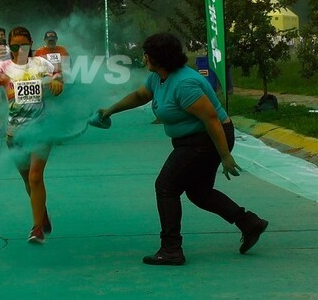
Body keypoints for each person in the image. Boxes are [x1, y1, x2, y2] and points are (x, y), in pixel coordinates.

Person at [96, 32, 268, 266]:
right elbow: (140, 96)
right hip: (192, 140)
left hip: (205, 139)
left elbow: (211, 120)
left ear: (158, 58)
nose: (143, 58)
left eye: (146, 54)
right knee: (199, 193)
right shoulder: (158, 78)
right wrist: (110, 110)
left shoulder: (185, 84)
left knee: (166, 187)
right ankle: (249, 223)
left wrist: (225, 155)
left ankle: (171, 250)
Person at [0, 26, 63, 245]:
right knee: (27, 180)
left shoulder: (41, 64)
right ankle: (42, 213)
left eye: (24, 45)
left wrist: (57, 82)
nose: (20, 50)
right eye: (14, 47)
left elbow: (57, 77)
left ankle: (37, 229)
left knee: (35, 177)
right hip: (15, 134)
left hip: (41, 130)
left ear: (31, 44)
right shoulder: (3, 68)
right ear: (9, 47)